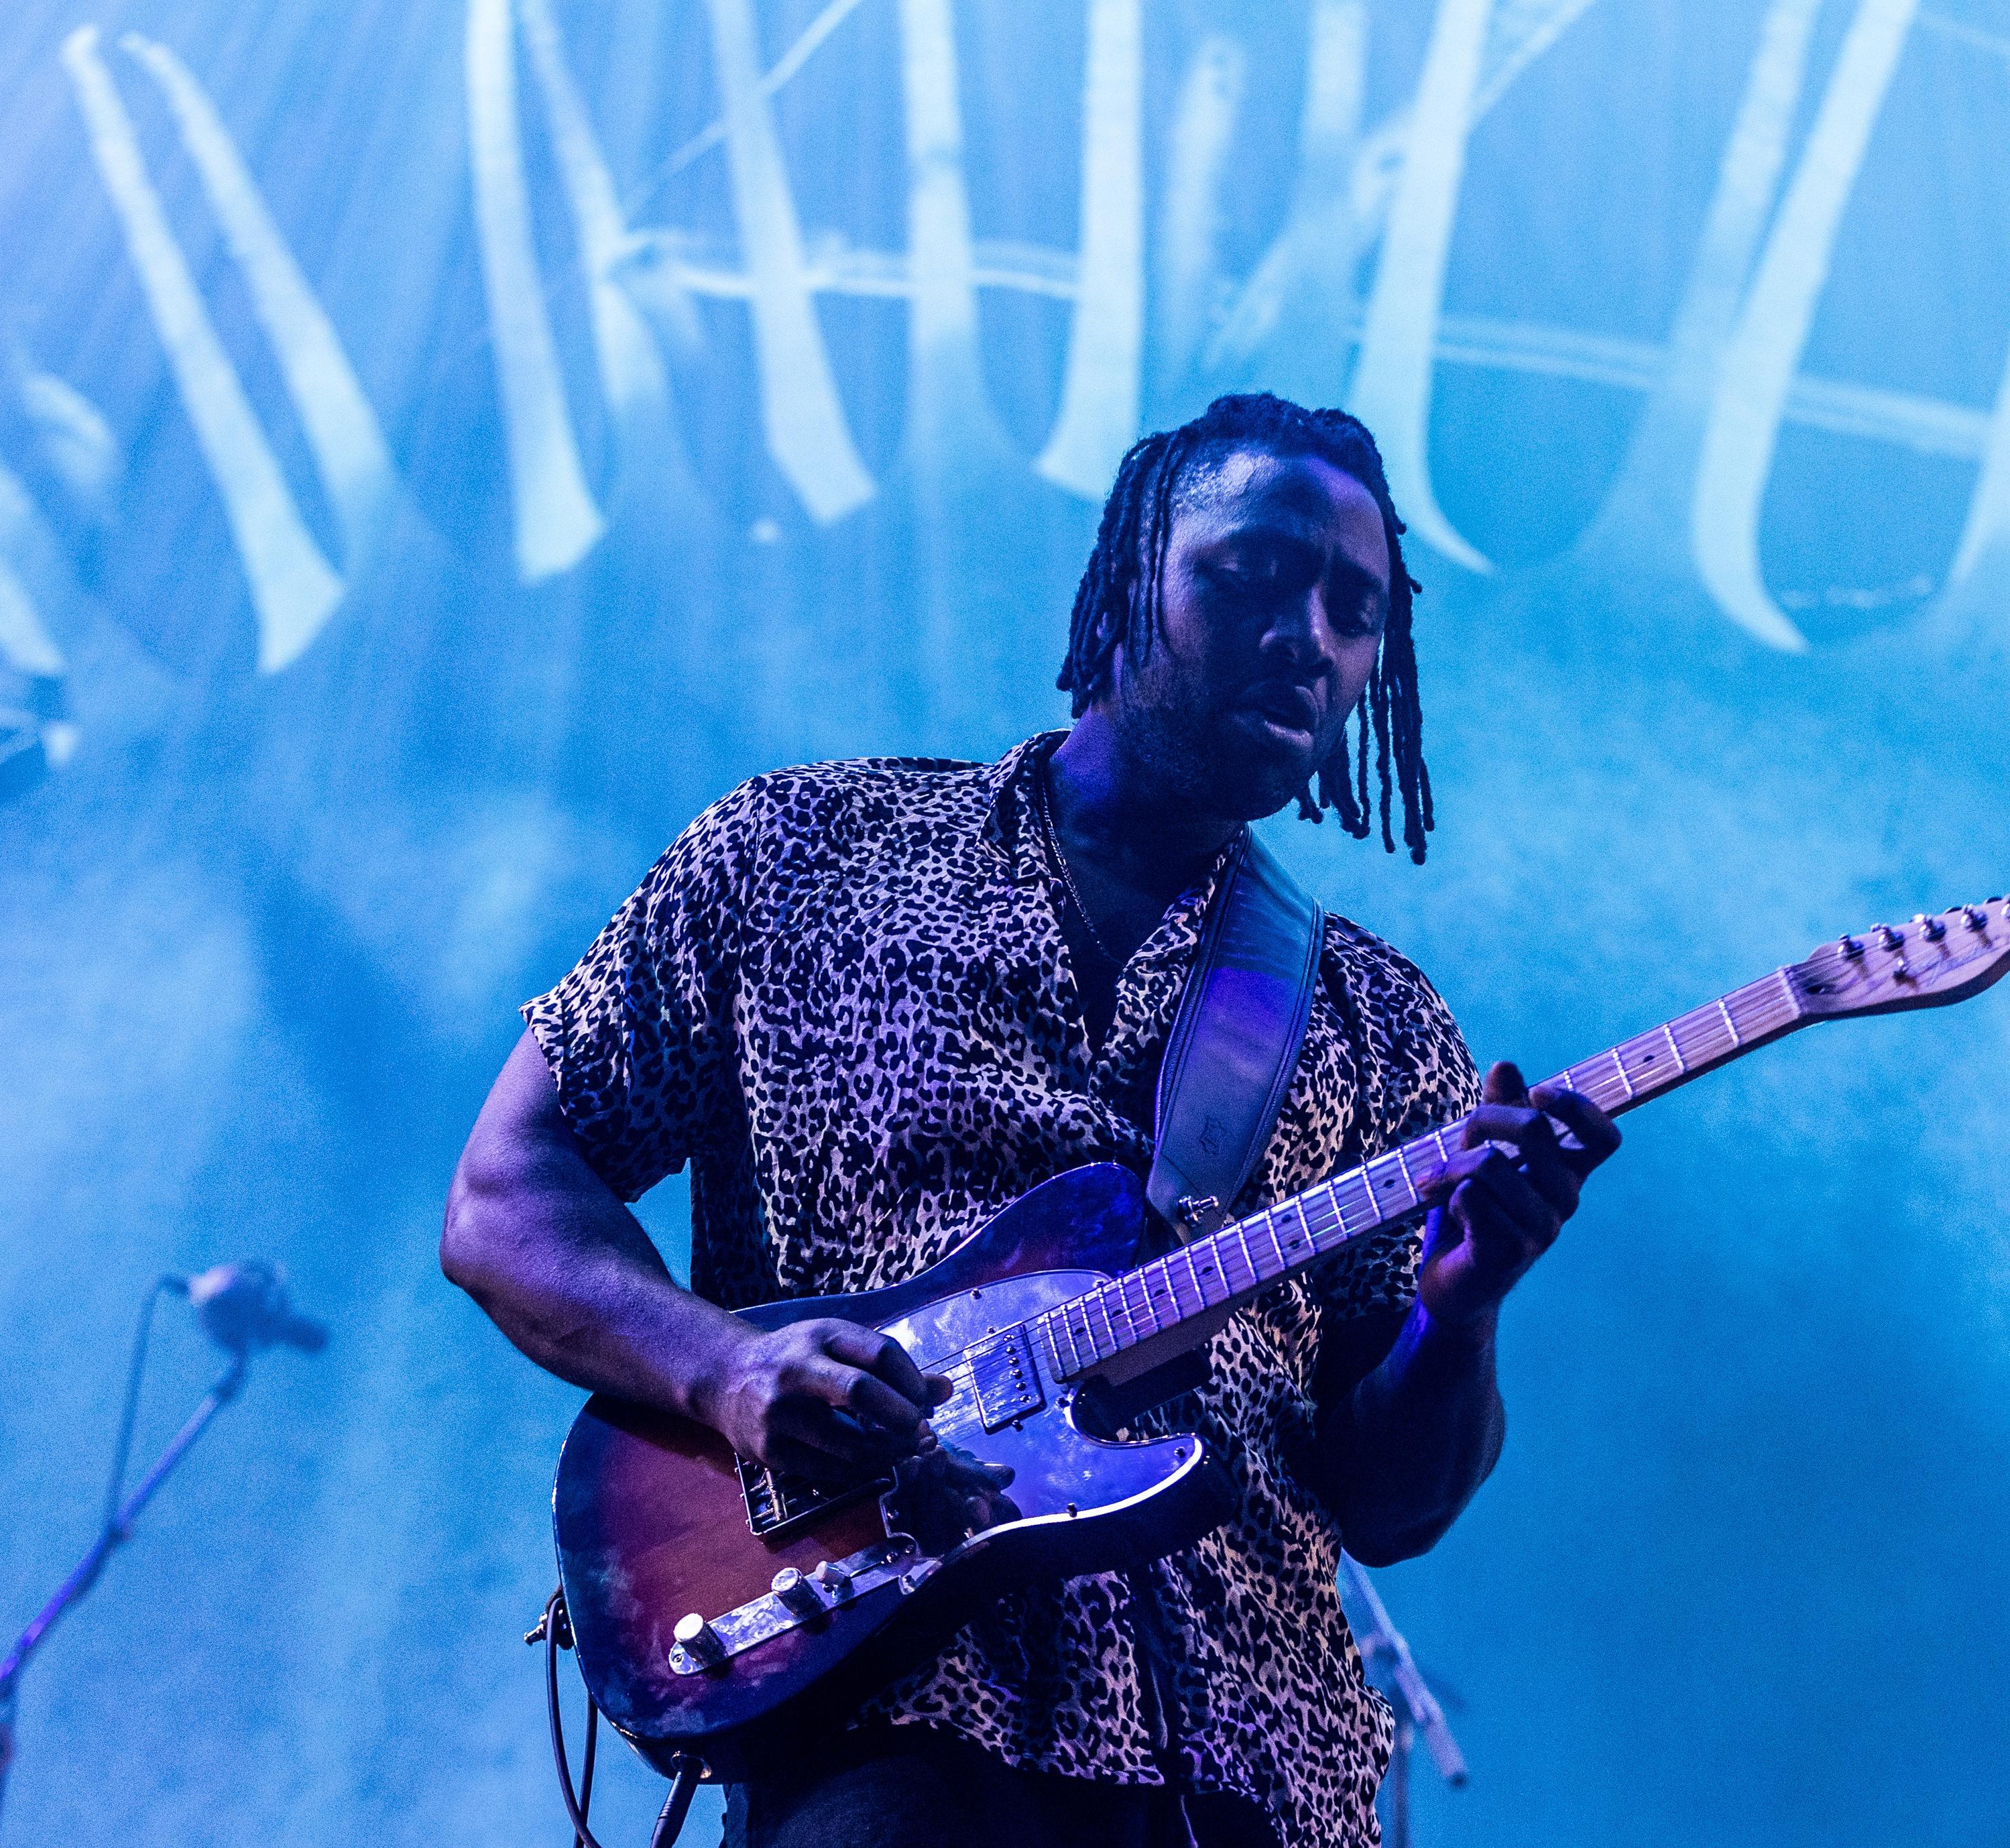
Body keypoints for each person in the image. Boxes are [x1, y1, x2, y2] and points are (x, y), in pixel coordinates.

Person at [441, 394, 1620, 1848]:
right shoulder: (805, 855)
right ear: (1129, 577)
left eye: (1353, 608)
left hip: (1258, 1771)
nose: (1310, 632)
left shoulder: (1376, 1021)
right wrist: (724, 1368)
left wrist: (1464, 1305)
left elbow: (1395, 1503)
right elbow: (505, 1195)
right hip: (894, 1717)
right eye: (1255, 571)